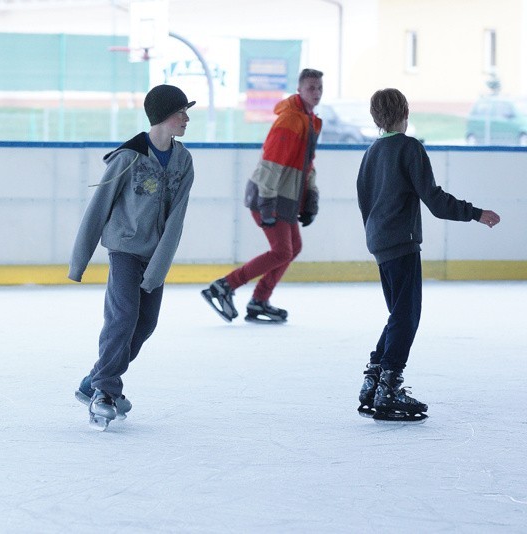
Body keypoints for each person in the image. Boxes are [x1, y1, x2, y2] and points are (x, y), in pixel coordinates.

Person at [355, 88, 500, 421]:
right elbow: (434, 200)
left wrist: (377, 235)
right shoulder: (408, 148)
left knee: (398, 315)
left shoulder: (371, 152)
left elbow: (366, 201)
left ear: (376, 117)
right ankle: (388, 388)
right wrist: (476, 213)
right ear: (406, 111)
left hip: (379, 242)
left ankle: (373, 380)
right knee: (407, 316)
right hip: (401, 243)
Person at [69, 84, 195, 430]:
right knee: (122, 319)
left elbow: (176, 219)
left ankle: (92, 381)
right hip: (124, 250)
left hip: (156, 255)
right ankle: (106, 392)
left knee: (144, 326)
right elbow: (99, 208)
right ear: (163, 117)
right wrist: (79, 261)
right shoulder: (128, 158)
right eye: (181, 112)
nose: (186, 118)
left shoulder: (184, 161)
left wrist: (158, 267)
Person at [201, 68, 323, 323]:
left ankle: (259, 301)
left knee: (293, 248)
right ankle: (224, 286)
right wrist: (267, 204)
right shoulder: (290, 119)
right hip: (269, 195)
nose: (316, 92)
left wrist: (310, 197)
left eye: (319, 87)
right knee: (281, 251)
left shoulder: (311, 121)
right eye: (311, 87)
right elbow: (271, 163)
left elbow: (306, 165)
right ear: (299, 89)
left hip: (285, 196)